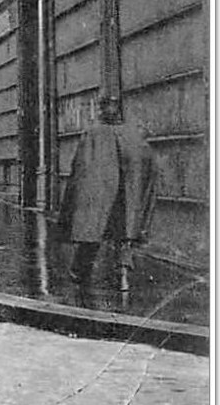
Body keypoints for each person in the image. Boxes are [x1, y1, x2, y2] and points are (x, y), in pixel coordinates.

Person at [60, 97, 158, 287]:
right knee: (124, 233)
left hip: (100, 195)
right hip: (126, 197)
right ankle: (123, 275)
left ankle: (81, 271)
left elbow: (81, 167)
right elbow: (149, 164)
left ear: (102, 110)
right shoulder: (132, 134)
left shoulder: (92, 133)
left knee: (92, 231)